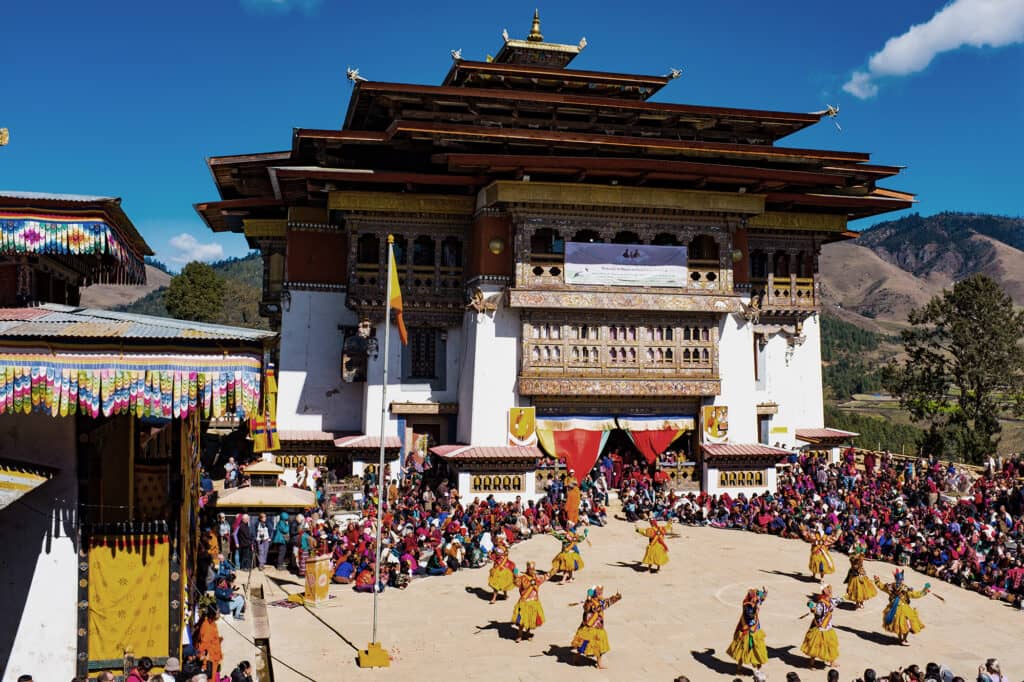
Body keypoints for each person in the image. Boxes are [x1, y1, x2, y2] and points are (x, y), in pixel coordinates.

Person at [570, 585, 622, 669]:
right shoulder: (590, 603)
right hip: (590, 627)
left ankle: (599, 663)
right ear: (595, 595)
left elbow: (607, 602)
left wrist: (616, 597)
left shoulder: (600, 601)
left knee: (599, 646)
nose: (601, 595)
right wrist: (589, 599)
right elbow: (591, 608)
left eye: (601, 594)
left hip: (598, 627)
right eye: (599, 594)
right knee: (584, 644)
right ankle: (576, 657)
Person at [873, 570, 931, 645]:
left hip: (893, 607)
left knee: (898, 625)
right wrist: (924, 591)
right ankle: (904, 639)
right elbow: (915, 595)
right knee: (907, 624)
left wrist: (877, 580)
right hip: (903, 609)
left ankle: (900, 638)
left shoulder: (890, 586)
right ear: (902, 579)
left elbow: (881, 586)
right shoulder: (905, 588)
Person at [726, 588, 769, 675]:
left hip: (755, 630)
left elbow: (762, 598)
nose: (758, 598)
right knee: (743, 650)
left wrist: (765, 592)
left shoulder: (755, 601)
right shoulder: (747, 604)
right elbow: (750, 616)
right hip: (747, 631)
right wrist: (755, 608)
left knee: (758, 650)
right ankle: (739, 669)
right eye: (756, 597)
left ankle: (757, 669)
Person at [800, 584, 841, 669]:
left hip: (826, 627)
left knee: (827, 646)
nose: (830, 593)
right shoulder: (827, 602)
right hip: (822, 628)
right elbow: (839, 600)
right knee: (817, 646)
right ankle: (812, 663)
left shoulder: (825, 602)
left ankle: (831, 661)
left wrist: (811, 608)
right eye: (829, 592)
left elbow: (817, 614)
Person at [511, 561, 546, 642]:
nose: (533, 570)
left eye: (534, 569)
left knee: (531, 619)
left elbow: (545, 577)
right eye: (531, 569)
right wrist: (515, 576)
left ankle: (527, 633)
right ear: (527, 569)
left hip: (534, 602)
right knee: (521, 621)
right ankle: (519, 635)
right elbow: (516, 583)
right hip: (524, 602)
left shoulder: (536, 577)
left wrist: (552, 572)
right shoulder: (523, 577)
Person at [196, 609, 224, 679]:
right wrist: (205, 662)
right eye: (217, 612)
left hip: (214, 657)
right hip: (209, 660)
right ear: (212, 615)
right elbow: (204, 645)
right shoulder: (206, 627)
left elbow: (212, 639)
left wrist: (218, 640)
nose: (219, 614)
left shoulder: (212, 624)